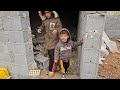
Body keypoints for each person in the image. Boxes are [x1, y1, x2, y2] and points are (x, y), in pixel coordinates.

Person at [37, 11, 62, 77]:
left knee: (52, 56)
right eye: (45, 13)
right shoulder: (45, 21)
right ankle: (56, 67)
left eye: (48, 12)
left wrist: (56, 30)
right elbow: (42, 27)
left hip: (54, 41)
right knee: (51, 55)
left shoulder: (57, 20)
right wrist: (40, 29)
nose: (46, 14)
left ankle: (51, 70)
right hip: (47, 41)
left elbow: (60, 28)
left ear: (52, 12)